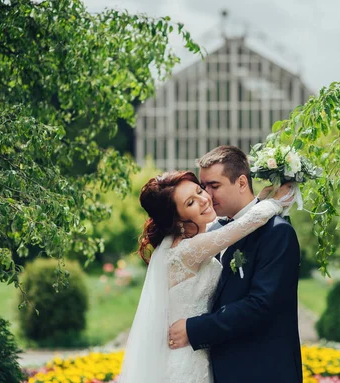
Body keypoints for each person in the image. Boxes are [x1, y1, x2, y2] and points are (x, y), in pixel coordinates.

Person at [117, 168, 294, 383]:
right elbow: (245, 225)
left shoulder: (194, 240)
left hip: (200, 350)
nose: (203, 200)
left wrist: (257, 199)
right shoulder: (188, 250)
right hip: (187, 357)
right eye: (190, 203)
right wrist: (276, 202)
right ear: (178, 220)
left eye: (199, 191)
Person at [168, 146, 303, 383]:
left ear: (242, 182)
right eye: (203, 186)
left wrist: (194, 329)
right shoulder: (215, 232)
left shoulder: (278, 233)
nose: (207, 195)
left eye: (214, 186)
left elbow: (260, 305)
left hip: (262, 371)